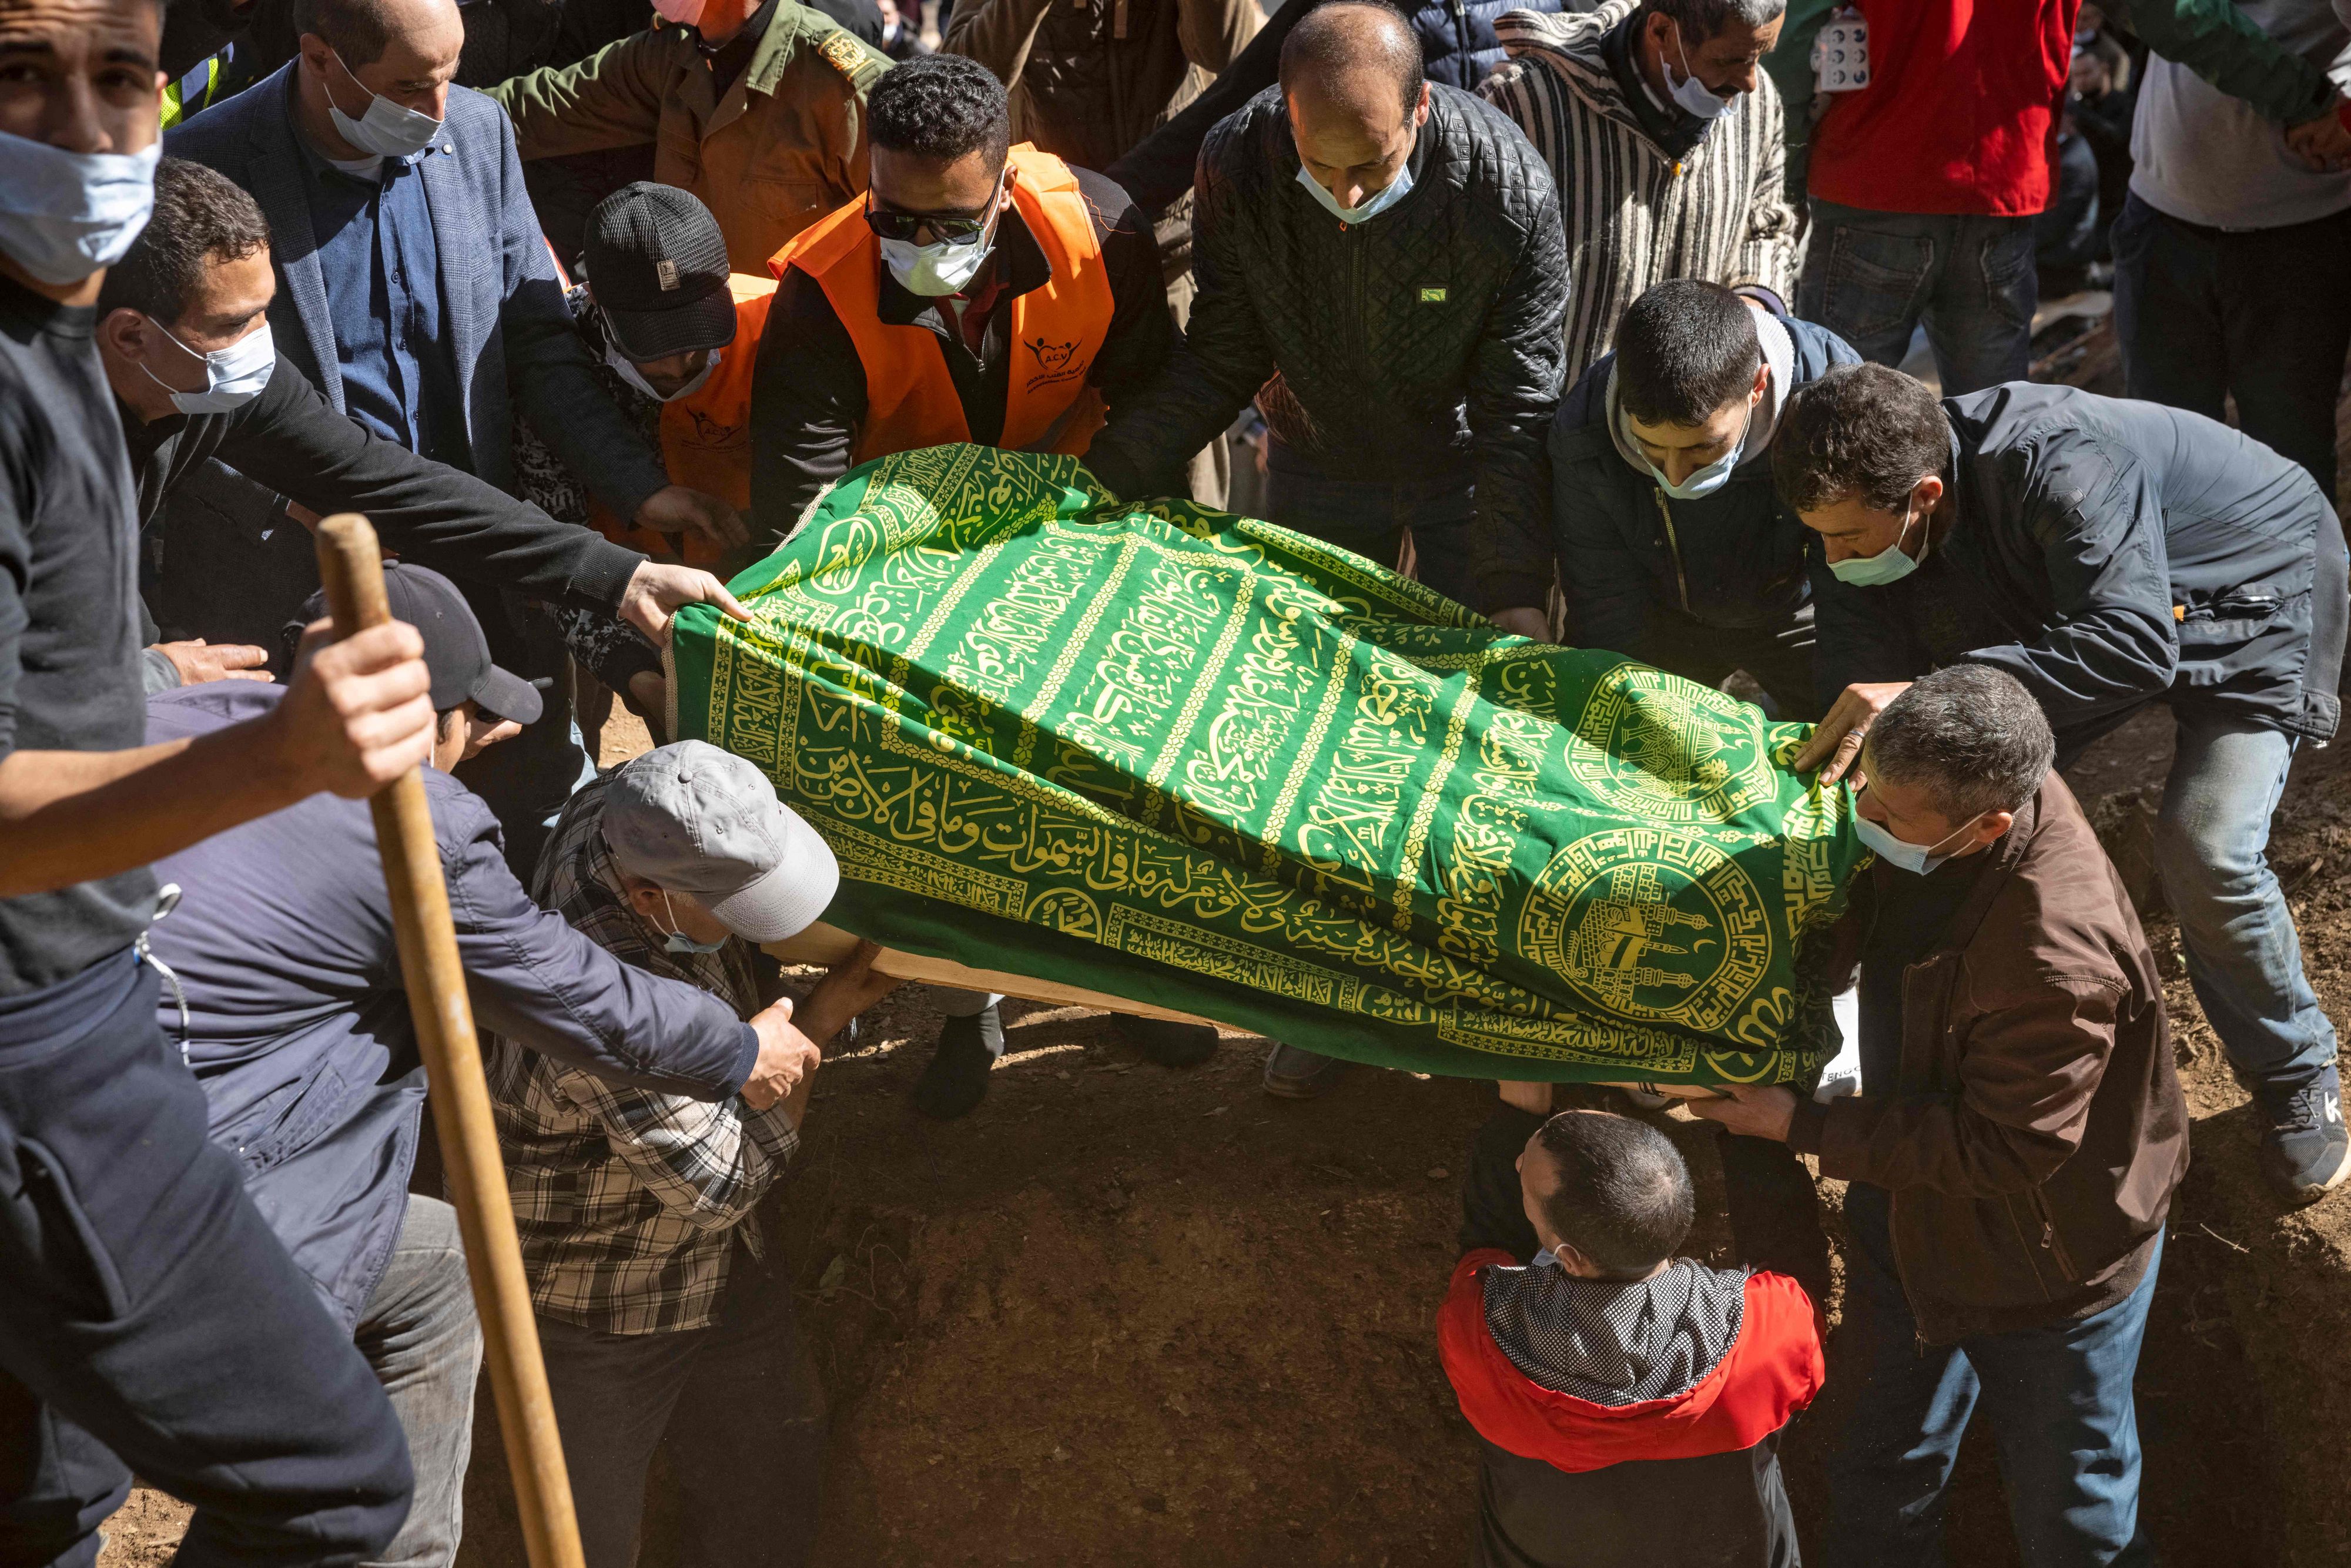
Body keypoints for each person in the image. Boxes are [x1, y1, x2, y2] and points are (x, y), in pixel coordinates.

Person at [128, 568, 819, 1568]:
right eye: (471, 718)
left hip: (87, 1125)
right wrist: (765, 1044)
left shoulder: (183, 720)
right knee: (329, 1463)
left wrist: (148, 674)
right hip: (204, 1200)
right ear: (432, 722)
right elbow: (590, 1007)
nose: (489, 742)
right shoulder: (423, 829)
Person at [0, 0, 446, 1553]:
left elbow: (361, 469)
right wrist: (281, 757)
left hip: (79, 1003)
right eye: (20, 76)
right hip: (42, 1047)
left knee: (38, 1494)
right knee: (341, 1477)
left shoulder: (68, 349)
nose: (80, 121)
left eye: (119, 76)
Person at [1083, 0, 1568, 1098]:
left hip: (1458, 465)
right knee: (1317, 734)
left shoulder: (1505, 188)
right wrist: (1099, 479)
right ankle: (1330, 1009)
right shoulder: (1236, 164)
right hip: (1314, 453)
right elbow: (1222, 355)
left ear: (1424, 108)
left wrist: (1510, 587)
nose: (1346, 195)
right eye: (1322, 165)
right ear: (1282, 120)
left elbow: (1518, 405)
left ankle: (1461, 998)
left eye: (1374, 165)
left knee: (1461, 736)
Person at [166, 0, 745, 875]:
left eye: (450, 75)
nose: (438, 109)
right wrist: (289, 501)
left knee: (524, 809)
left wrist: (634, 486)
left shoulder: (476, 133)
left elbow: (536, 339)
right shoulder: (205, 167)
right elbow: (182, 405)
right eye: (410, 86)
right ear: (320, 59)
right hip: (294, 577)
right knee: (325, 850)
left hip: (480, 560)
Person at [1780, 363, 2350, 1203]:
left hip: (2249, 592)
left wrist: (1929, 693)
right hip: (2078, 604)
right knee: (1933, 798)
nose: (1832, 561)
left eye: (1850, 542)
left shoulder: (2055, 461)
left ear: (1925, 494)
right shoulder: (1866, 503)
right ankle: (1908, 1076)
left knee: (2205, 846)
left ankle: (2295, 1074)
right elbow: (1866, 682)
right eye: (1819, 538)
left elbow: (2130, 645)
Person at [1694, 666, 2189, 1563]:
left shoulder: (2051, 960)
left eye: (1889, 817)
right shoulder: (1980, 768)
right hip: (1914, 1216)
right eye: (1868, 796)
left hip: (2046, 1264)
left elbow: (2005, 1150)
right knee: (1878, 1462)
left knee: (2075, 1516)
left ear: (1989, 825)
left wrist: (1795, 1124)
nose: (1864, 823)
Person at [96, 158, 746, 689]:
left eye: (265, 312)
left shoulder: (225, 379)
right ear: (130, 337)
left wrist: (620, 575)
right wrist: (149, 678)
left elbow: (387, 483)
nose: (259, 344)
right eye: (233, 324)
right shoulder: (35, 444)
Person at [490, 742, 893, 1568]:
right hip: (599, 1306)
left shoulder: (621, 808)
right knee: (581, 1545)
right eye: (736, 910)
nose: (756, 929)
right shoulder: (615, 1018)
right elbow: (726, 1186)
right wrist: (809, 1031)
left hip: (722, 1274)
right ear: (648, 897)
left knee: (769, 1492)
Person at [1789, 0, 2351, 398]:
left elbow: (1793, 37)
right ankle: (1991, 565)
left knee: (1833, 423)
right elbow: (2180, 17)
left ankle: (1829, 565)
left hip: (1873, 187)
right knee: (1992, 432)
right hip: (2000, 197)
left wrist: (1782, 175)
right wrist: (2304, 99)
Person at [750, 55, 1174, 535]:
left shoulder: (1101, 235)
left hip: (1070, 502)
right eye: (894, 220)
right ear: (872, 180)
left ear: (1007, 188)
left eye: (954, 224)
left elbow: (1151, 405)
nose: (922, 245)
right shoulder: (818, 291)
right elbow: (798, 507)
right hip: (890, 529)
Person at [1438, 1103, 1824, 1568]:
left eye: (1525, 1175)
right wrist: (1753, 1136)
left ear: (1571, 1258)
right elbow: (1795, 1265)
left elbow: (1485, 1247)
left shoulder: (1477, 1331)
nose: (1519, 1164)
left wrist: (1519, 1110)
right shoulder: (1771, 1334)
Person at [939, 0, 1255, 504]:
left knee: (1180, 481)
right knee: (1046, 488)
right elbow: (961, 85)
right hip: (1049, 271)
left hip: (1168, 259)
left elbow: (1232, 55)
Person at [1551, 279, 1858, 718]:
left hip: (1800, 610)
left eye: (1701, 448)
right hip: (1664, 618)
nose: (1674, 475)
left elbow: (1855, 587)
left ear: (1757, 386)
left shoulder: (1835, 397)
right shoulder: (1584, 431)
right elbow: (1604, 598)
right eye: (1650, 448)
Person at [1481, 0, 1798, 387]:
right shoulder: (1523, 107)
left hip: (1684, 425)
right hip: (1547, 423)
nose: (1750, 81)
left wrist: (1750, 312)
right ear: (1662, 32)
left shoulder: (1758, 101)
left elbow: (1765, 226)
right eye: (1729, 60)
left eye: (1760, 55)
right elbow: (1457, 281)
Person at [2111, 0, 2351, 503]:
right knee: (2163, 452)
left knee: (2289, 463)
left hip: (2294, 235)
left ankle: (2303, 584)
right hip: (2159, 217)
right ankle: (2175, 585)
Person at [487, 0, 892, 276]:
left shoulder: (843, 90)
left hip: (797, 362)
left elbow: (914, 242)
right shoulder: (674, 52)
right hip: (695, 354)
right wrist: (430, 108)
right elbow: (546, 107)